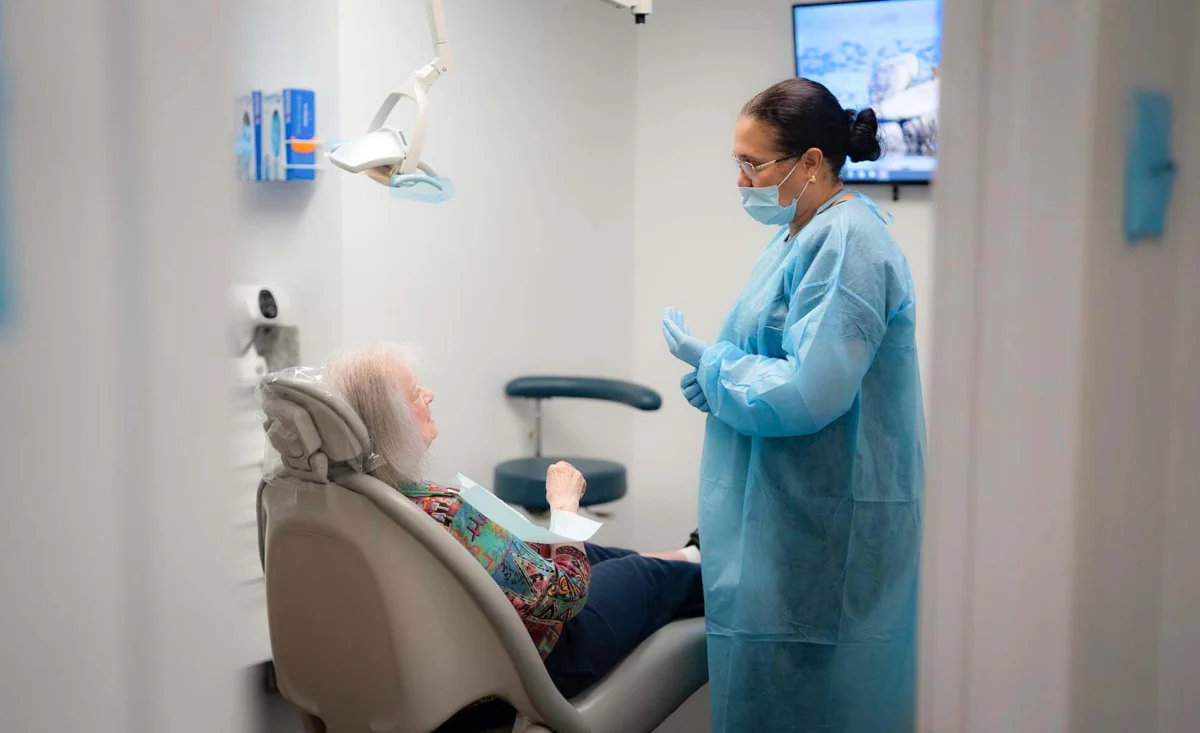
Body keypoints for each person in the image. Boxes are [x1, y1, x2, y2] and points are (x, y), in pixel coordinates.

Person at [661, 78, 925, 733]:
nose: (743, 181)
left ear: (810, 161)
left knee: (820, 703)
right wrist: (718, 388)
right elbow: (774, 357)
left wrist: (713, 365)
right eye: (738, 164)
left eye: (754, 165)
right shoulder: (799, 234)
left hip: (825, 530)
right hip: (781, 519)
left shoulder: (849, 243)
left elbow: (811, 389)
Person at [325, 344, 704, 729]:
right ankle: (730, 583)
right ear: (390, 424)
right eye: (414, 393)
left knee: (599, 555)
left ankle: (691, 554)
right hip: (538, 661)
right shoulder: (441, 513)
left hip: (446, 662)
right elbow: (566, 594)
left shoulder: (354, 500)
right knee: (642, 574)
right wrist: (565, 505)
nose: (430, 395)